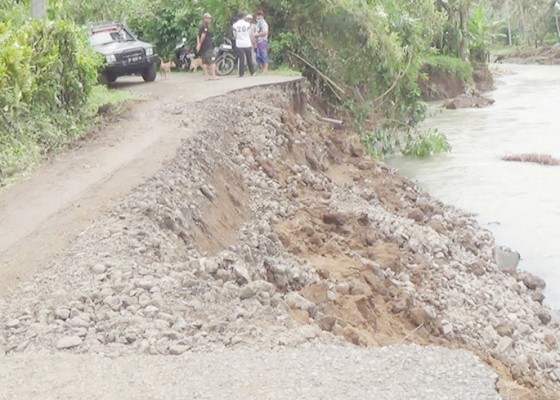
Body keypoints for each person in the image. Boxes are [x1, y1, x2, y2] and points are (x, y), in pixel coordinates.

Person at [197, 12, 218, 80]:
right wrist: (200, 44)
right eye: (209, 18)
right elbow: (202, 36)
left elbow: (198, 36)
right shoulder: (204, 26)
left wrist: (199, 44)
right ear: (205, 19)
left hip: (203, 47)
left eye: (210, 18)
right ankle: (213, 75)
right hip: (207, 46)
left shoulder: (201, 26)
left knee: (204, 62)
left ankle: (207, 76)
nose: (210, 20)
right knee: (212, 60)